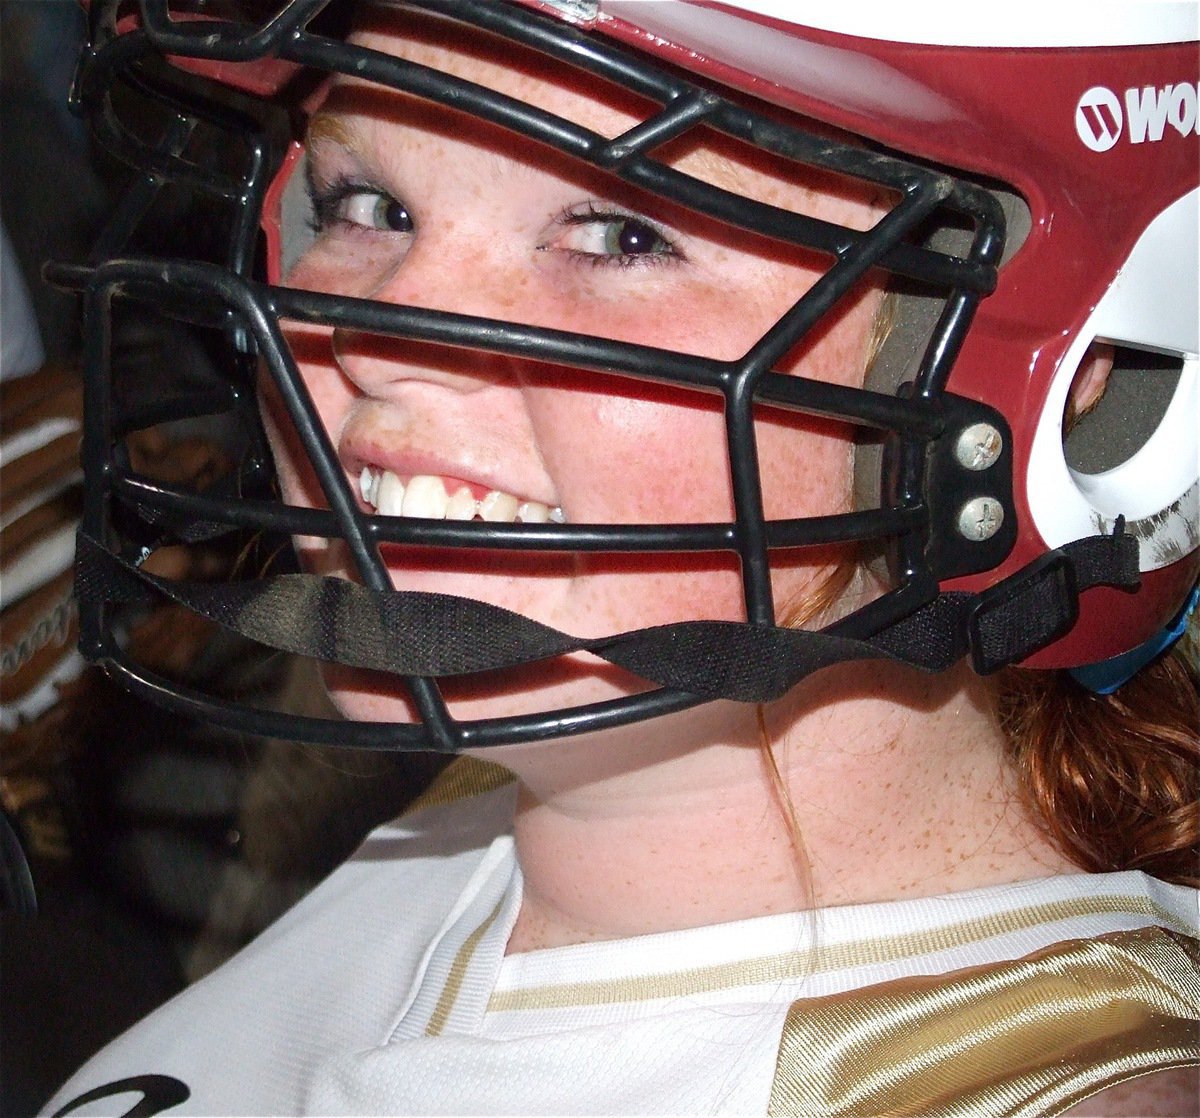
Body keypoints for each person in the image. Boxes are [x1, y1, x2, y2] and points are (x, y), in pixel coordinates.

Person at [46, 1, 1198, 1115]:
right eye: (369, 208)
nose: (378, 341)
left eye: (621, 232)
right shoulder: (497, 804)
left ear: (1067, 389)